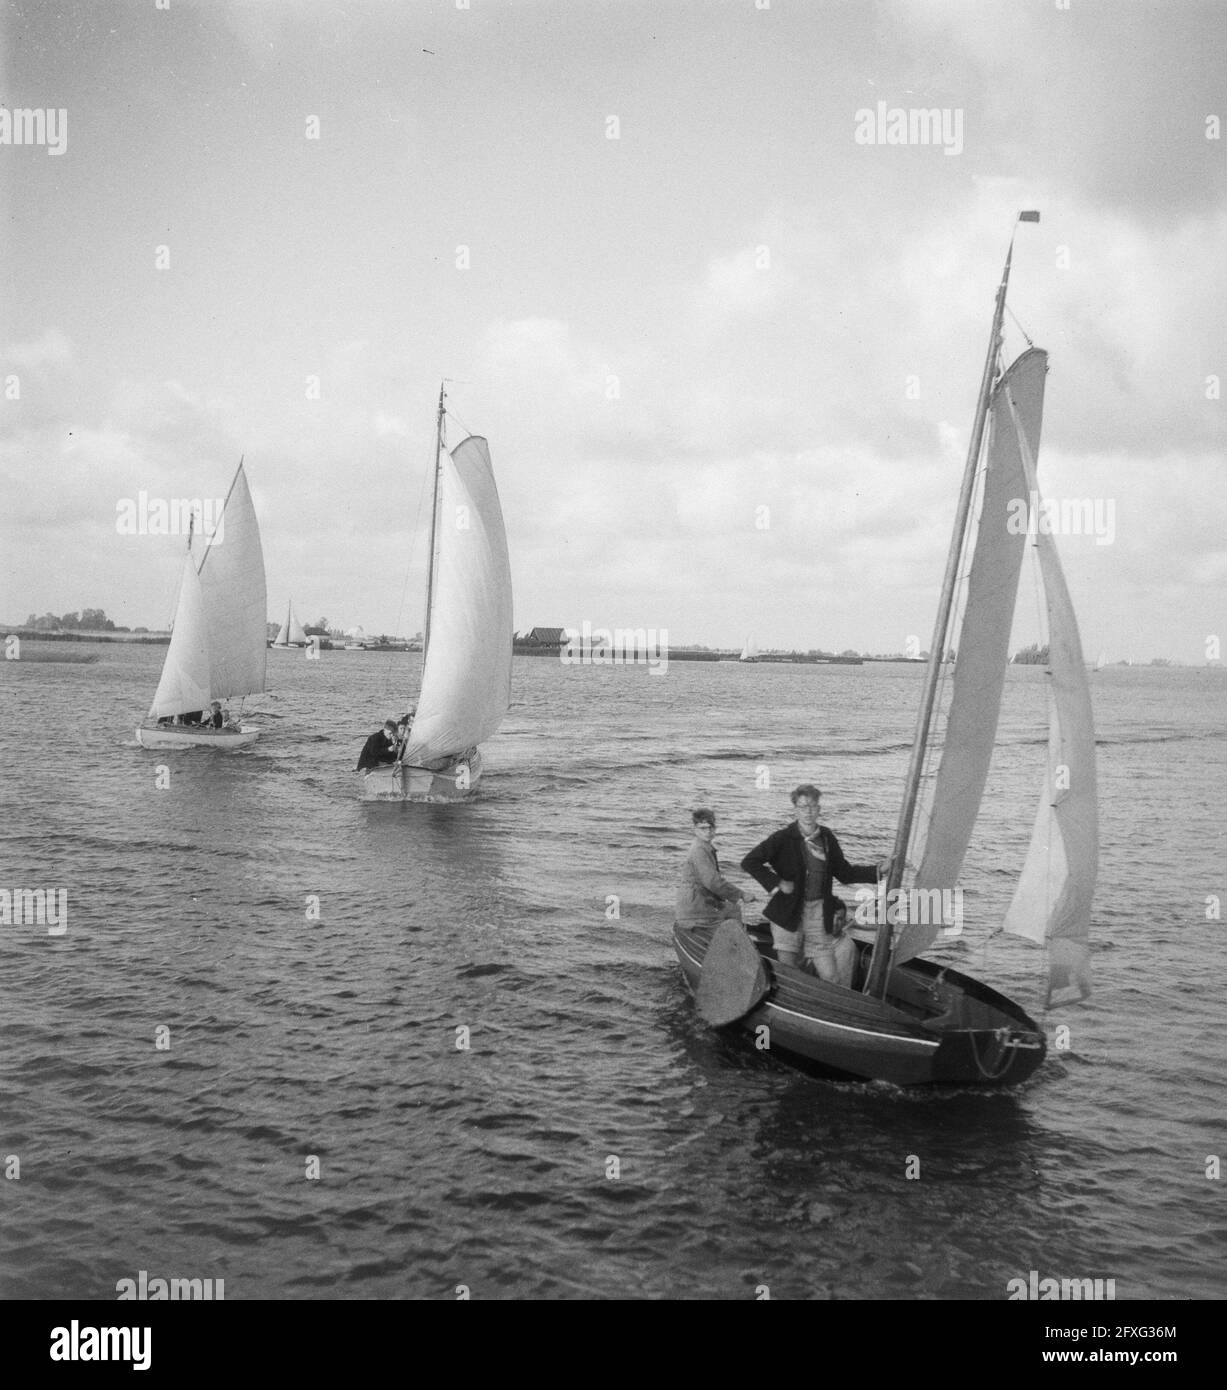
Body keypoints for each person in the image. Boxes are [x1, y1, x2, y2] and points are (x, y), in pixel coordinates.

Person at [741, 784, 890, 986]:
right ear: (795, 809)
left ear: (819, 808)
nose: (808, 811)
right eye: (803, 807)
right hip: (787, 913)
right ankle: (794, 1012)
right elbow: (750, 861)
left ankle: (830, 1011)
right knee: (789, 972)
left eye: (812, 806)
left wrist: (878, 871)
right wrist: (776, 883)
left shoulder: (827, 838)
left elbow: (845, 873)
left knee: (831, 976)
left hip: (818, 912)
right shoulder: (782, 838)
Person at [675, 808, 754, 929]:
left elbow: (711, 883)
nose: (708, 832)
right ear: (695, 829)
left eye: (711, 827)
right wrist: (741, 894)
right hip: (695, 908)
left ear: (715, 828)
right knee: (734, 910)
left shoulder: (703, 846)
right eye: (703, 828)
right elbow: (713, 882)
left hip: (694, 903)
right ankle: (734, 945)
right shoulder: (700, 850)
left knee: (727, 907)